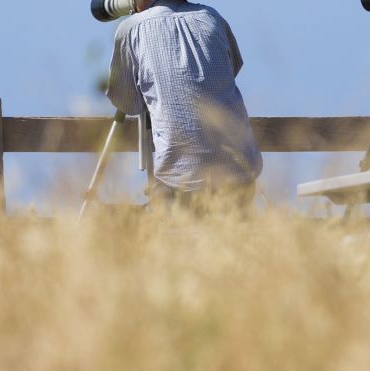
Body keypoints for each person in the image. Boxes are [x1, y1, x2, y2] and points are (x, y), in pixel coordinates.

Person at [107, 0, 263, 215]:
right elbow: (230, 72)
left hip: (178, 178)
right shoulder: (212, 18)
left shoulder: (132, 28)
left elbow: (127, 103)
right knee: (233, 243)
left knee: (170, 236)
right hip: (241, 170)